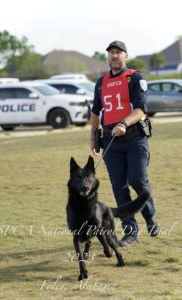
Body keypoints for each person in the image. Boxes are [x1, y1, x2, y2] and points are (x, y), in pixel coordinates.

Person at [90, 40, 160, 246]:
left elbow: (140, 109)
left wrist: (123, 123)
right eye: (111, 52)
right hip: (111, 143)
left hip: (135, 139)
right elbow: (95, 112)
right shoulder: (100, 82)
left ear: (126, 56)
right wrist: (94, 138)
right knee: (119, 188)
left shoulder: (135, 78)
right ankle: (131, 232)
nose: (114, 56)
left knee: (138, 180)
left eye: (118, 52)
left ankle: (150, 216)